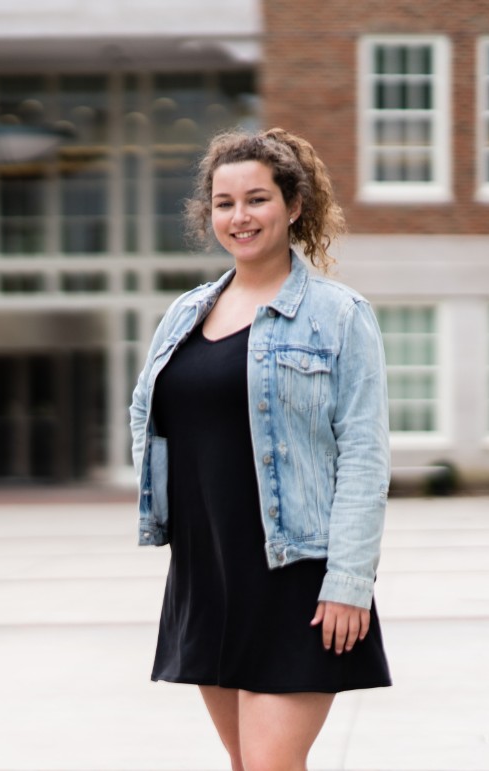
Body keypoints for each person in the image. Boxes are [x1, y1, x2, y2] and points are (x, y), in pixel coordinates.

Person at [129, 127, 392, 770]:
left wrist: (350, 581)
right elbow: (146, 413)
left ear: (293, 205)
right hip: (207, 574)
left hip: (296, 579)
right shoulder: (186, 313)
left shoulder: (338, 315)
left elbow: (363, 454)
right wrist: (169, 513)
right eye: (224, 203)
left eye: (256, 199)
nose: (239, 217)